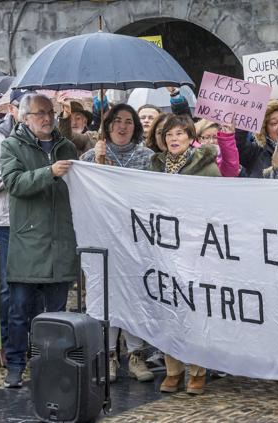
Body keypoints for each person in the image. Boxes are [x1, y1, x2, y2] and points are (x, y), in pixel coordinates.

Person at [0, 94, 79, 388]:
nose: (47, 118)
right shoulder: (12, 145)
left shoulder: (66, 146)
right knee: (20, 311)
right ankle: (16, 364)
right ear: (24, 117)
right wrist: (50, 172)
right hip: (28, 244)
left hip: (60, 243)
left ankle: (50, 364)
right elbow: (14, 183)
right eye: (40, 113)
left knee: (56, 314)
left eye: (51, 112)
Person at [81, 103, 155, 383]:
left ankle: (136, 355)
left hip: (136, 239)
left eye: (128, 121)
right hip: (102, 238)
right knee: (106, 298)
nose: (122, 126)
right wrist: (94, 164)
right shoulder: (92, 155)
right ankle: (108, 355)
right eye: (117, 121)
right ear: (108, 125)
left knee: (134, 296)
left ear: (135, 127)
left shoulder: (147, 157)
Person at [148, 114, 220, 395]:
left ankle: (198, 370)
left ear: (191, 137)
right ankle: (173, 369)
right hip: (164, 246)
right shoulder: (155, 167)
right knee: (168, 307)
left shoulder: (206, 167)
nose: (174, 138)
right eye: (169, 135)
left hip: (195, 247)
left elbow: (215, 208)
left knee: (195, 309)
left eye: (179, 133)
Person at [0, 88, 29, 356]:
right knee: (8, 287)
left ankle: (30, 340)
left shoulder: (43, 135)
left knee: (33, 286)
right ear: (12, 109)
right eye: (23, 107)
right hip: (6, 221)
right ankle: (7, 344)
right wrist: (18, 173)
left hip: (35, 221)